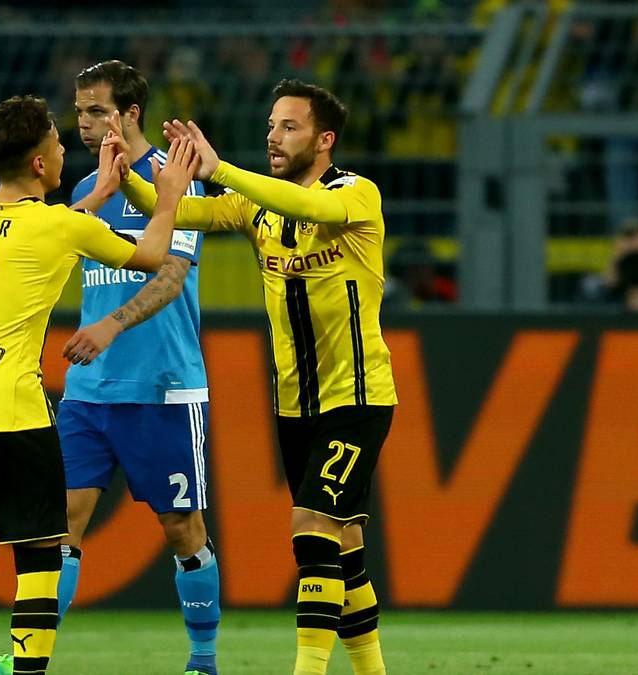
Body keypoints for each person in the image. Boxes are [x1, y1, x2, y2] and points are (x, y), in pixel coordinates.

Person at [116, 79, 395, 675]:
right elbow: (177, 210)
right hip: (295, 403)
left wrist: (222, 169)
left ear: (324, 140)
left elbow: (312, 208)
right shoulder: (257, 206)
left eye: (289, 126)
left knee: (312, 524)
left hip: (359, 396)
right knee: (343, 548)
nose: (273, 135)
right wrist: (130, 168)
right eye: (271, 124)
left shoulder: (356, 194)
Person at [0, 95, 199, 675]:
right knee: (41, 555)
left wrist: (98, 192)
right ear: (42, 166)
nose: (63, 145)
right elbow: (151, 254)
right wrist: (170, 193)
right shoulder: (59, 224)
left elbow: (45, 225)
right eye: (56, 140)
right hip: (13, 408)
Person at [60, 60, 221, 675]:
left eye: (97, 110)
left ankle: (202, 662)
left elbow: (172, 276)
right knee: (60, 530)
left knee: (183, 530)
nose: (84, 123)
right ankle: (31, 659)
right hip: (89, 391)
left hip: (163, 387)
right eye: (78, 112)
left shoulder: (175, 179)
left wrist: (110, 325)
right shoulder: (85, 191)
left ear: (130, 113)